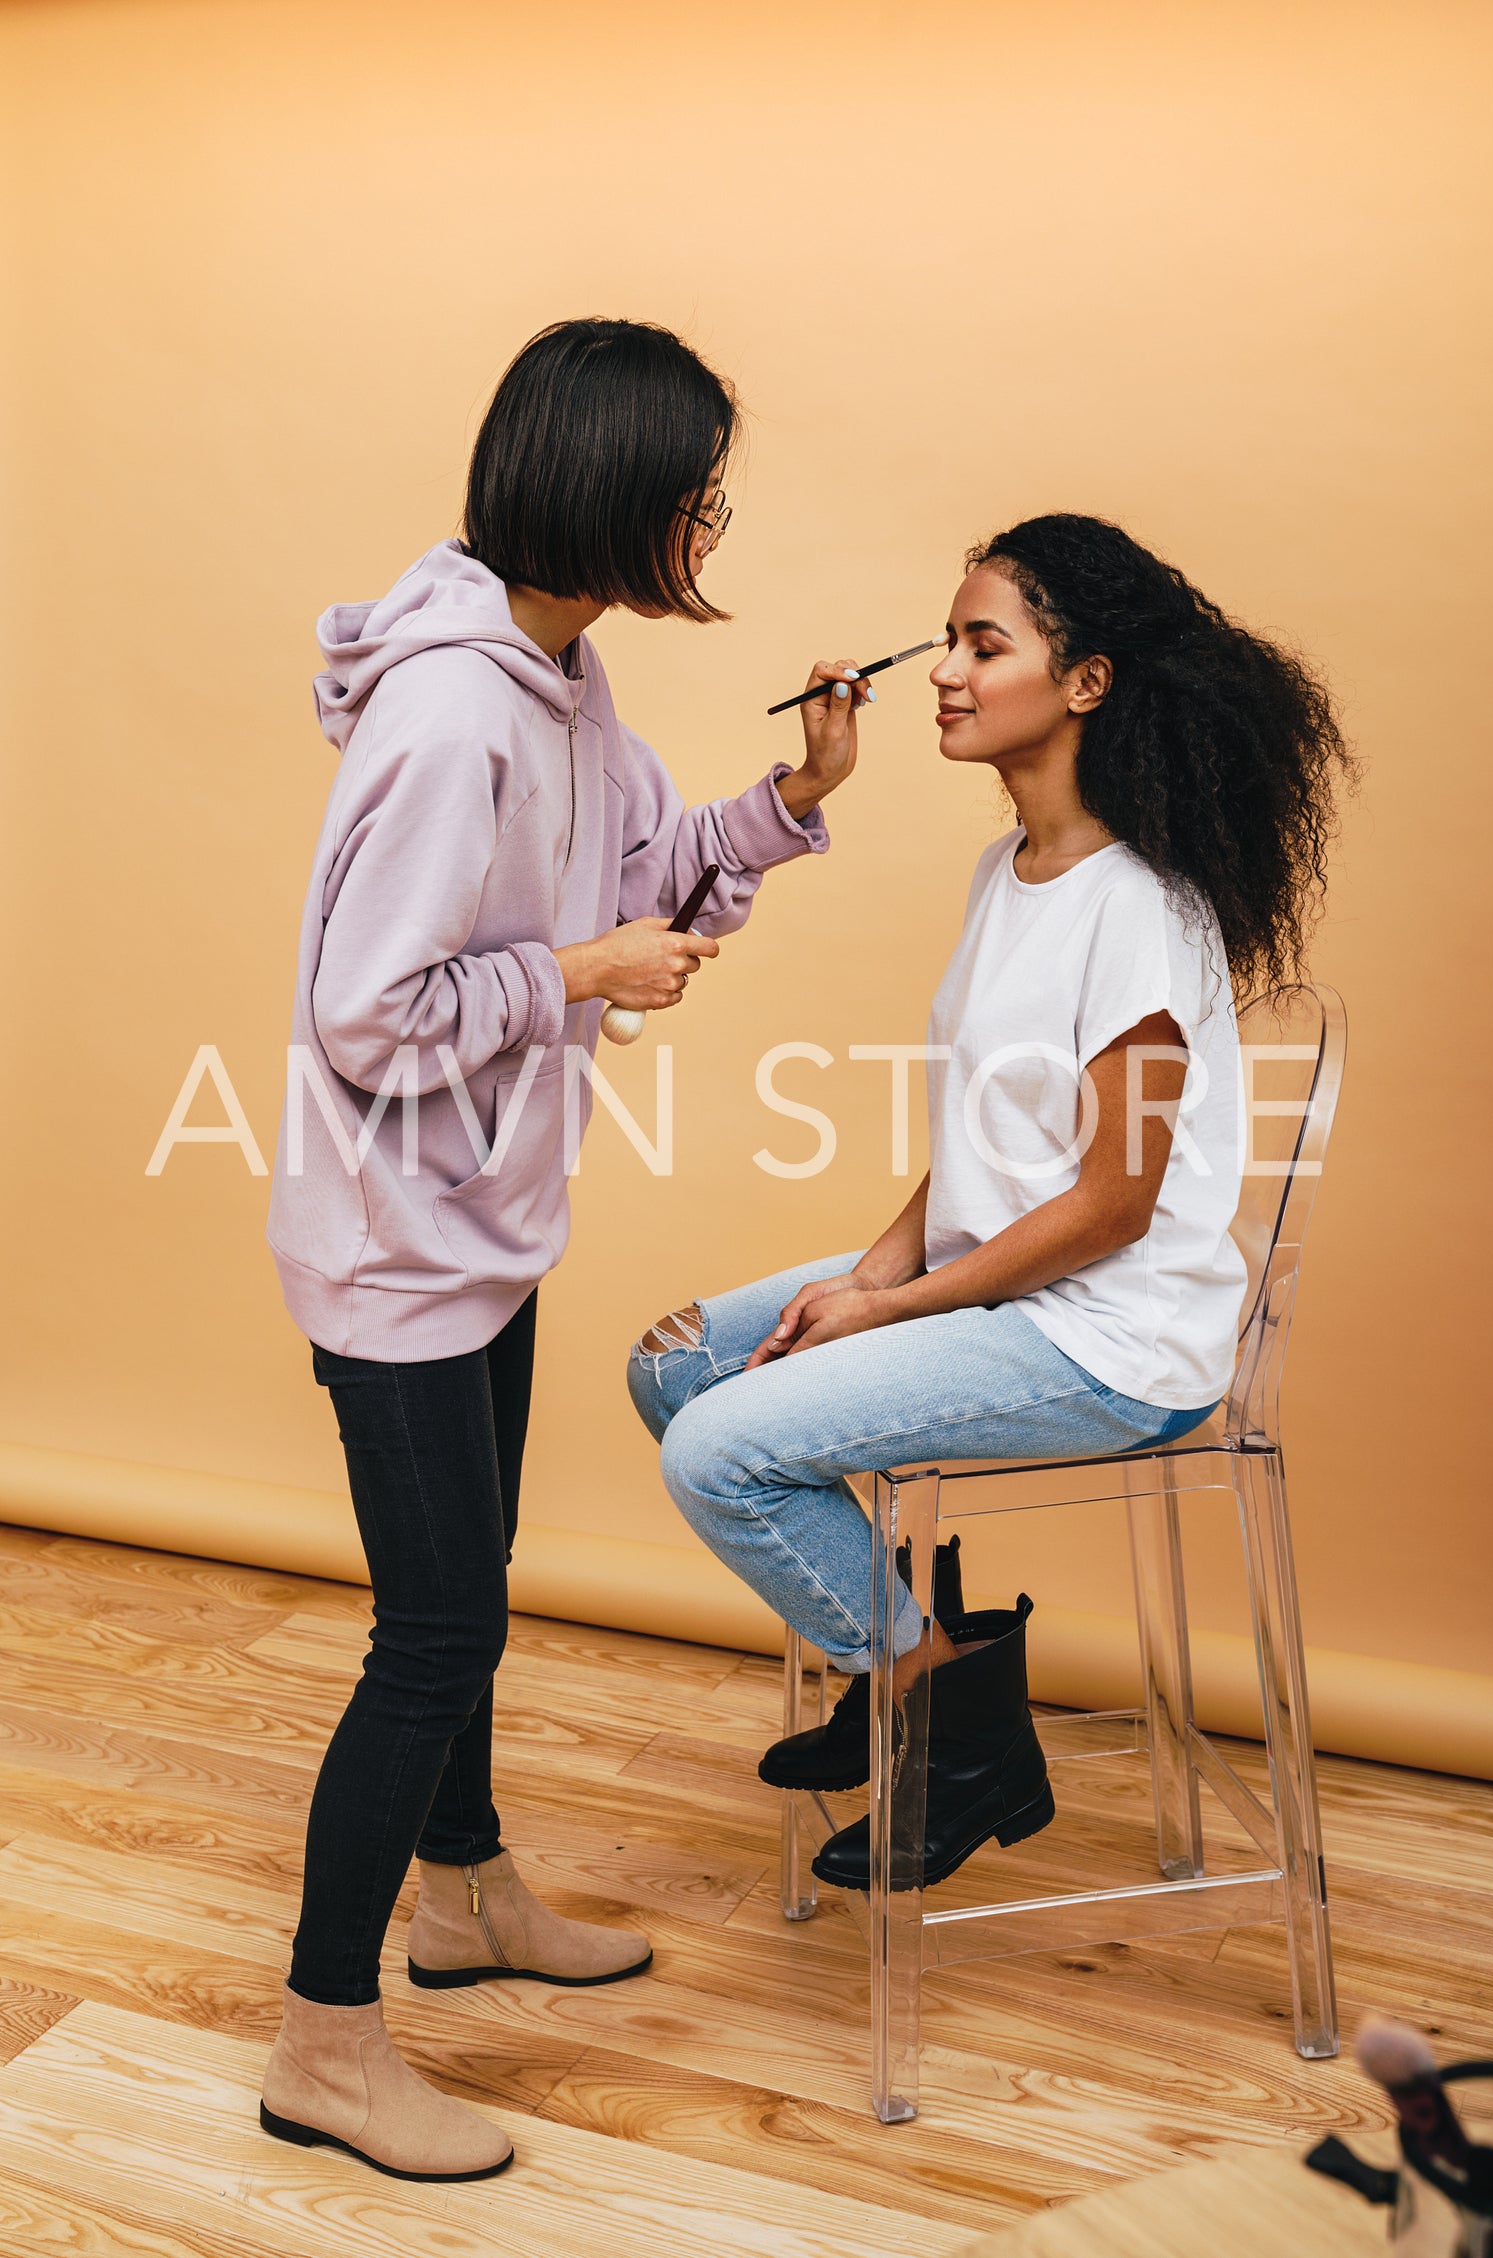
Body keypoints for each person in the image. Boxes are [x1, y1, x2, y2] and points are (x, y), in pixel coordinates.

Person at [259, 317, 871, 2182]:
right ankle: (322, 2043)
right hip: (394, 1251)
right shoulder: (458, 712)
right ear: (608, 495)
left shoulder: (560, 673)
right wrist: (576, 976)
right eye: (691, 494)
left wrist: (790, 803)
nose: (707, 522)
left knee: (472, 1596)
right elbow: (369, 1013)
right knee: (432, 1634)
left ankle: (464, 1894)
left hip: (479, 1230)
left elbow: (627, 877)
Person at [629, 512, 1354, 1896]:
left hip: (1106, 1335)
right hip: (996, 1280)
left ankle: (945, 1720)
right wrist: (873, 1271)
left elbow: (1111, 1207)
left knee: (717, 1453)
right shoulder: (1005, 871)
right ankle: (900, 1645)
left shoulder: (1134, 907)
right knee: (673, 1365)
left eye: (982, 644)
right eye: (947, 643)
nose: (945, 674)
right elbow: (981, 1134)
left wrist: (883, 1305)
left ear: (1083, 682)